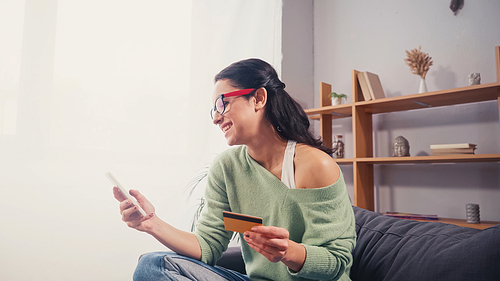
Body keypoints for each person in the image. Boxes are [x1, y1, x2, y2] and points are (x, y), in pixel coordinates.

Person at [113, 58, 356, 281]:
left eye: (223, 103)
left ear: (259, 98)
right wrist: (152, 223)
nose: (216, 118)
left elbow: (336, 262)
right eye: (214, 110)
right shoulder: (227, 167)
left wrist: (289, 252)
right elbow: (207, 246)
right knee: (152, 265)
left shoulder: (315, 165)